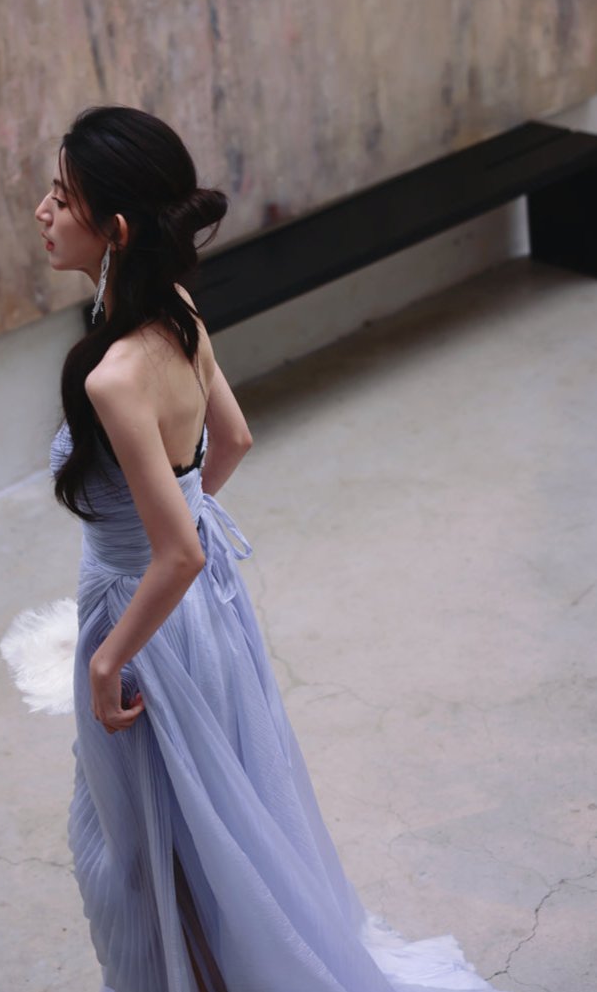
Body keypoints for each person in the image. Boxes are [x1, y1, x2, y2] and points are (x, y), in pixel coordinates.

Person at [37, 106, 503, 992]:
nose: (43, 211)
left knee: (146, 850)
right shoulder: (176, 314)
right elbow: (234, 440)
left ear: (117, 229)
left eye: (62, 197)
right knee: (215, 829)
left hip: (145, 627)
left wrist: (106, 659)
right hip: (205, 622)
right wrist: (180, 516)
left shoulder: (113, 375)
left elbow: (177, 554)